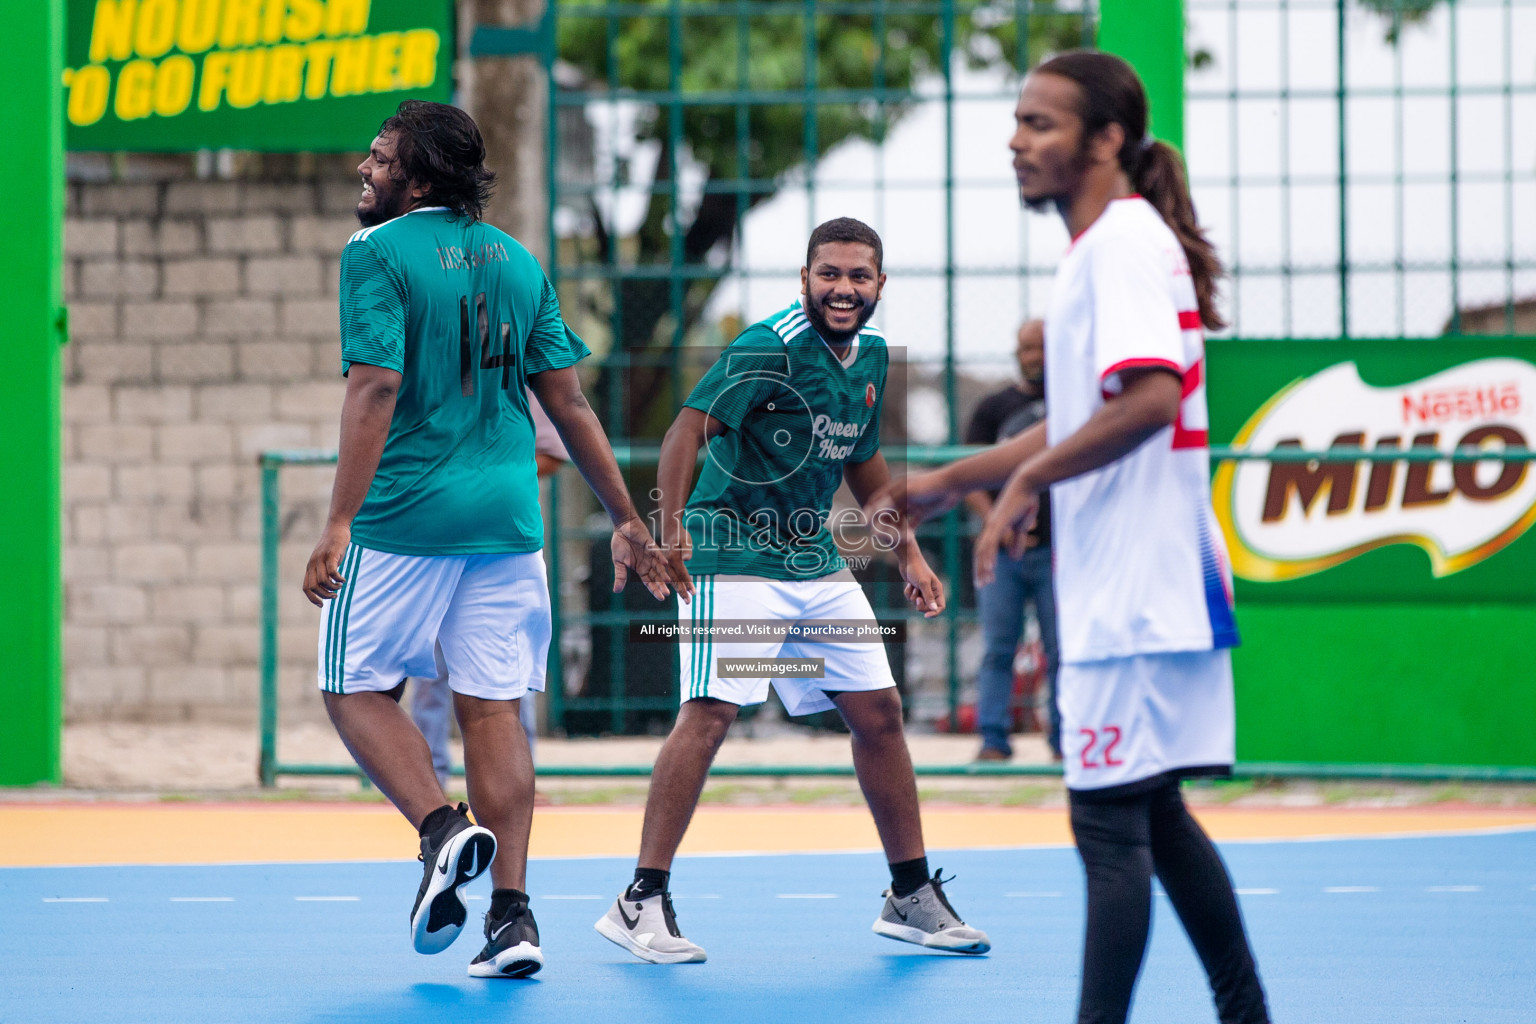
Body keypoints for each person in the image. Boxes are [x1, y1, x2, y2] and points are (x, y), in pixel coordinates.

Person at [867, 53, 1269, 1024]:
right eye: (1017, 121)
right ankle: (1246, 1011)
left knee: (1108, 823)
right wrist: (956, 481)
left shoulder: (1119, 246)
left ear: (1107, 140)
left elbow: (1151, 398)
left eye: (1040, 123)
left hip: (1136, 586)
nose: (1017, 140)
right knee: (1154, 815)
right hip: (1139, 583)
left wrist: (1031, 479)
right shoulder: (1110, 245)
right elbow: (1087, 409)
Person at [302, 100, 669, 980]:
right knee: (493, 707)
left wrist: (339, 519)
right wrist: (627, 516)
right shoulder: (516, 259)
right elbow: (571, 404)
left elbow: (375, 390)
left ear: (419, 174)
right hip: (509, 521)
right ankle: (513, 917)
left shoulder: (375, 253)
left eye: (381, 156)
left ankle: (441, 829)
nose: (366, 165)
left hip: (406, 518)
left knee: (349, 687)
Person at [594, 218, 991, 964]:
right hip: (731, 548)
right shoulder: (766, 347)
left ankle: (909, 896)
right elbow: (686, 432)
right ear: (804, 279)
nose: (844, 288)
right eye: (830, 274)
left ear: (880, 285)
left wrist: (906, 551)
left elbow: (865, 469)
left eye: (859, 276)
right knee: (711, 714)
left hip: (809, 555)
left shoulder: (868, 358)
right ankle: (639, 899)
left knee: (880, 711)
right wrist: (671, 529)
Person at [409, 392, 569, 788]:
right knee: (429, 672)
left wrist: (486, 474)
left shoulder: (521, 380)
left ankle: (517, 783)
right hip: (435, 544)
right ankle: (430, 786)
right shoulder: (427, 375)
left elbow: (555, 452)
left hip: (500, 547)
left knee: (510, 678)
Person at [962, 319, 1061, 761]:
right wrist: (997, 522)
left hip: (1059, 552)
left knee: (1063, 650)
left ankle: (1065, 741)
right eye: (1026, 348)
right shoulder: (992, 409)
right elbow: (969, 477)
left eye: (1041, 347)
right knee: (998, 648)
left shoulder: (1075, 404)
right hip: (1003, 555)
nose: (1034, 356)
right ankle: (993, 741)